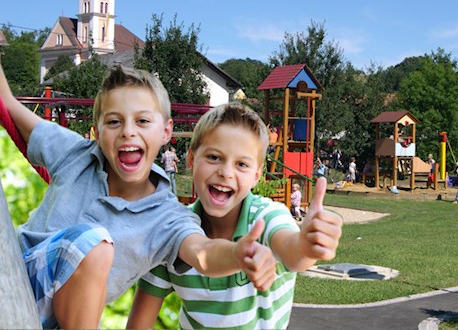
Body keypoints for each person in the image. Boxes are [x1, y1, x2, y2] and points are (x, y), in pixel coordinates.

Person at [0, 65, 276, 329]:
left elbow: (203, 254)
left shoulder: (168, 217)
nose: (128, 131)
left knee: (95, 246)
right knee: (95, 244)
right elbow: (8, 104)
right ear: (97, 133)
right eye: (114, 121)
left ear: (165, 131)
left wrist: (237, 254)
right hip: (15, 278)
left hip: (53, 321)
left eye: (142, 121)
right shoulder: (75, 154)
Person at [127, 103, 343, 330]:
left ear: (257, 175)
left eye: (241, 164)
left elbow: (292, 252)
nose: (226, 172)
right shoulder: (172, 232)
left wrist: (307, 246)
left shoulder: (268, 217)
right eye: (213, 157)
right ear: (191, 160)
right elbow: (139, 323)